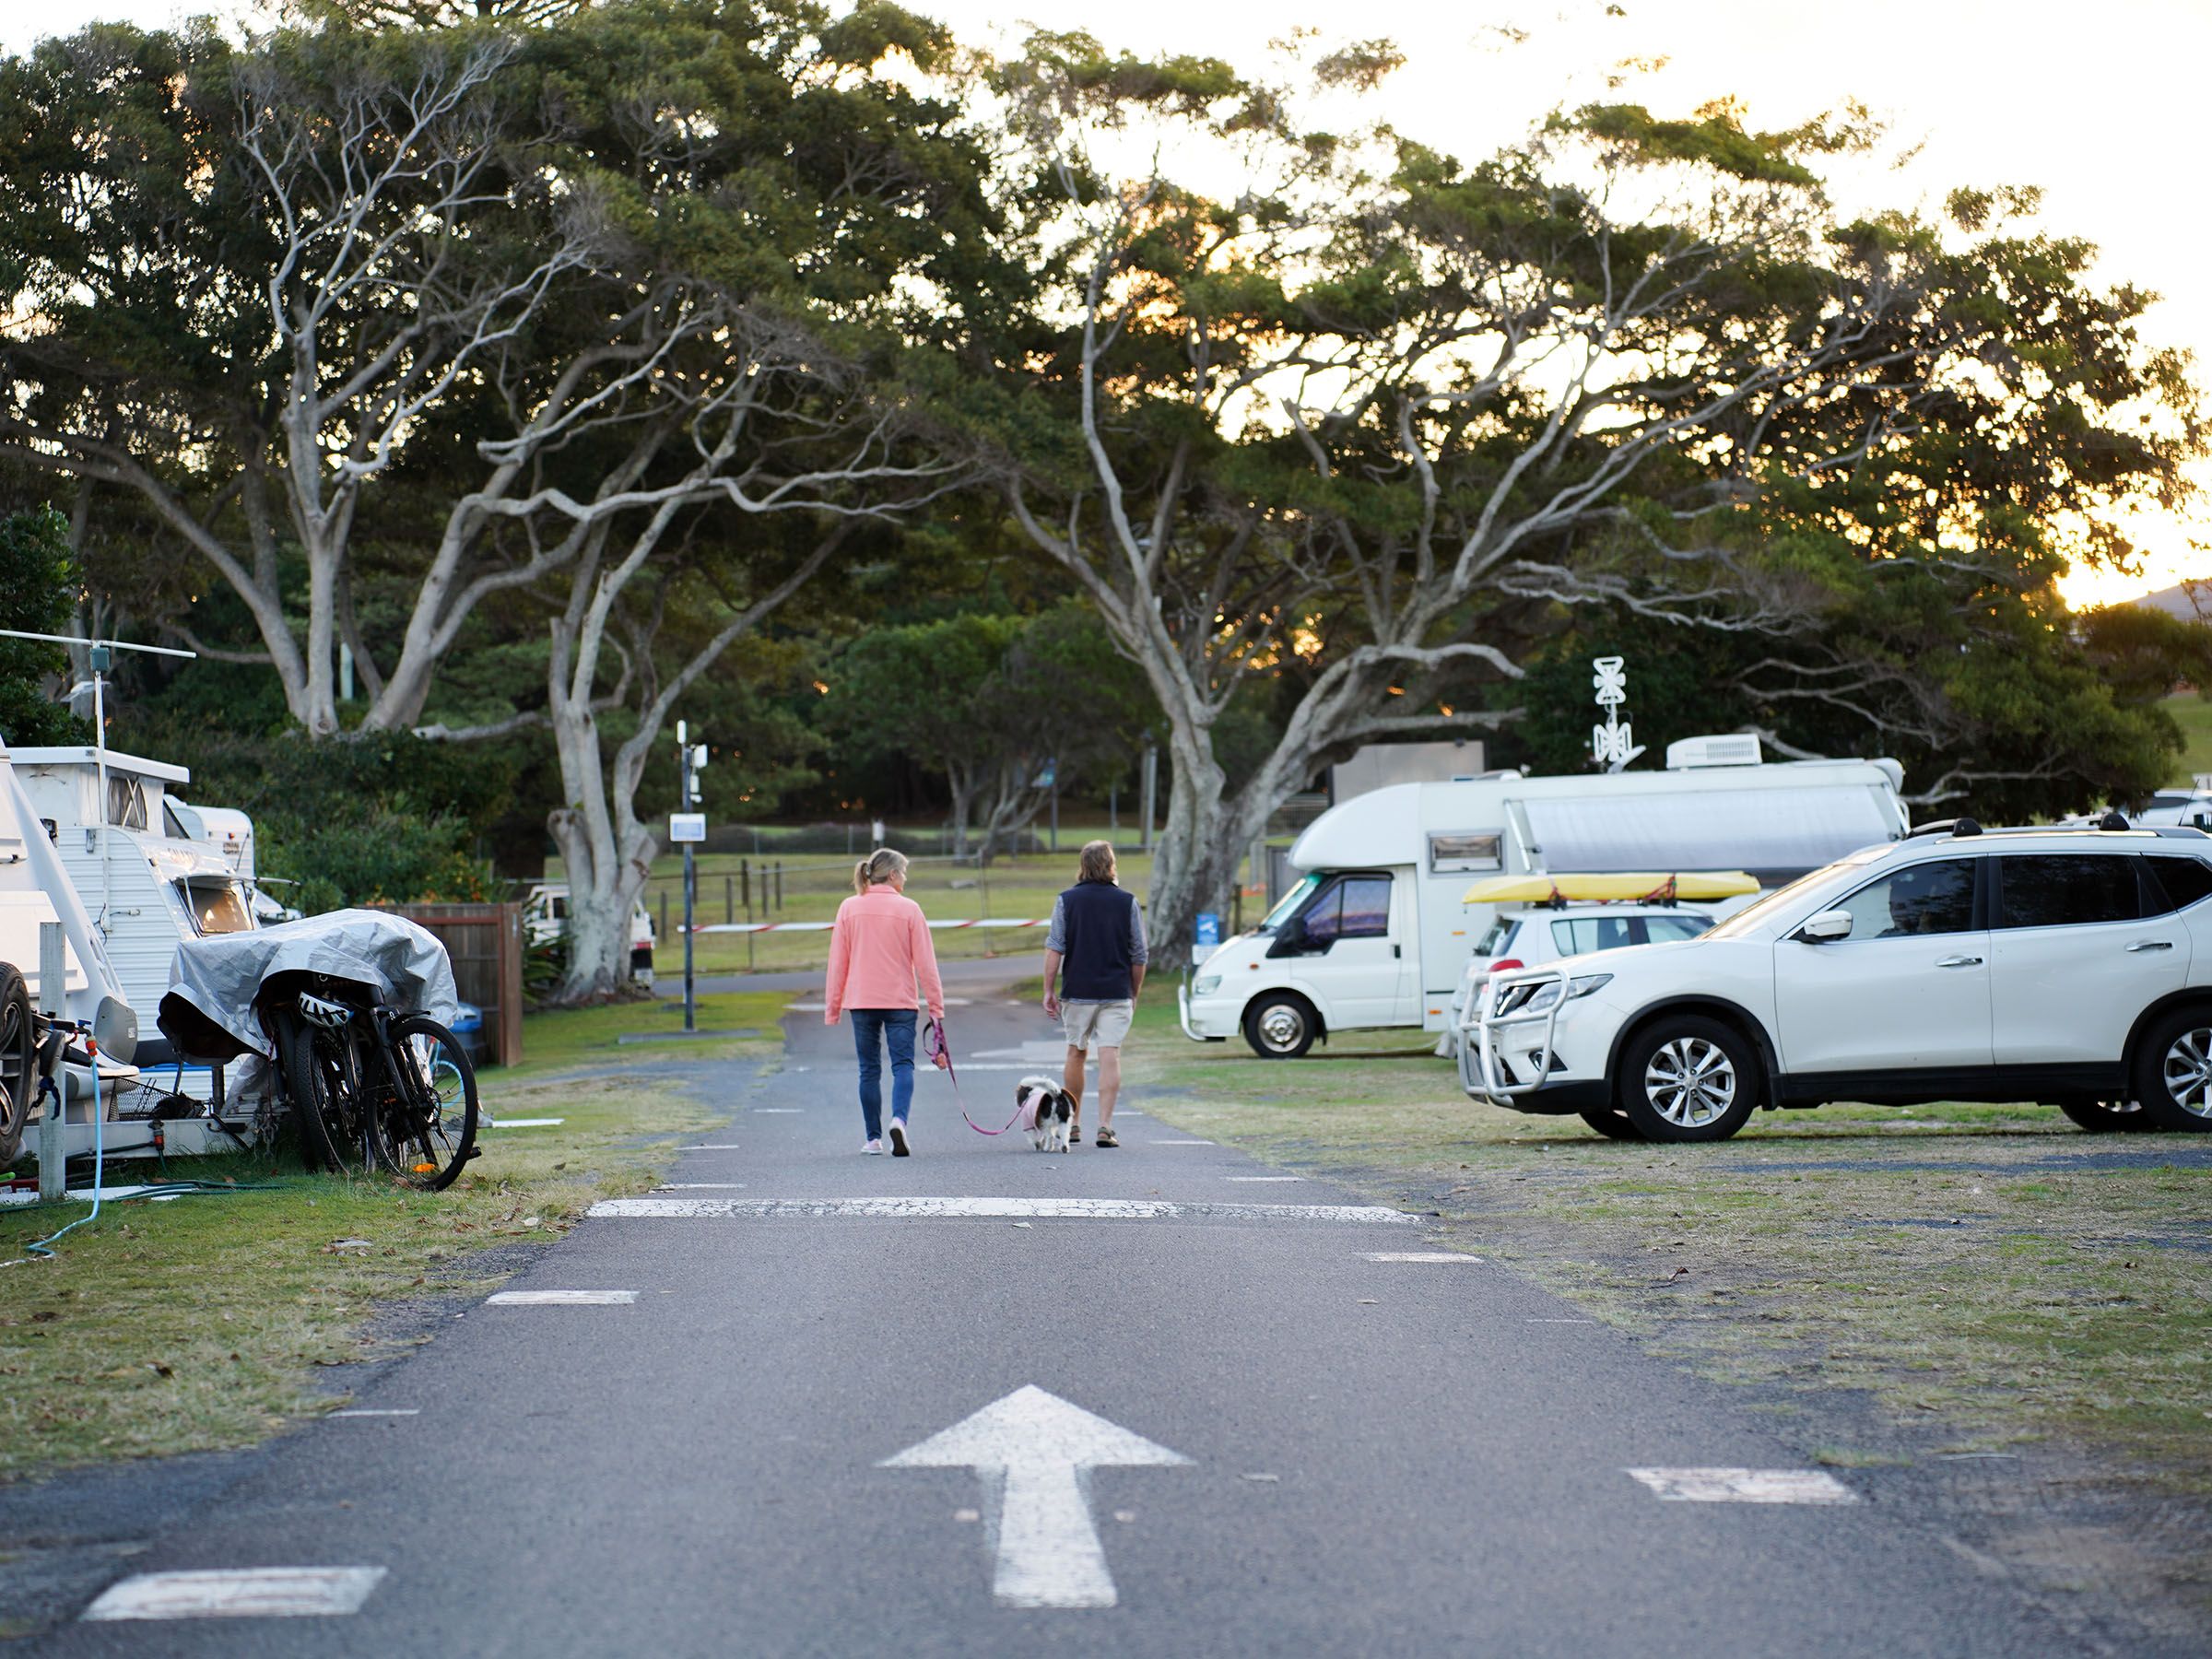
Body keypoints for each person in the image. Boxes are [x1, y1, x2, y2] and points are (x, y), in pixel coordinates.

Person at [825, 847, 945, 1156]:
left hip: (861, 999)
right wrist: (936, 1008)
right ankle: (899, 1120)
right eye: (903, 872)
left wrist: (833, 1007)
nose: (905, 878)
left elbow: (838, 962)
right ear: (892, 875)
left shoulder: (849, 908)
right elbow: (926, 964)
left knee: (869, 1069)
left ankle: (873, 1139)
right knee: (902, 1065)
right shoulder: (910, 909)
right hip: (900, 1000)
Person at [1041, 840, 1147, 1148]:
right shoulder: (1127, 901)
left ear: (1082, 865)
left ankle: (1072, 1123)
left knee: (1076, 1052)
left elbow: (1055, 947)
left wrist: (1048, 989)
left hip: (1078, 991)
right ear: (1111, 864)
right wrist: (1134, 991)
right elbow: (1139, 955)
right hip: (1115, 991)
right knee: (1109, 1053)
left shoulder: (1067, 900)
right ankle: (1105, 1126)